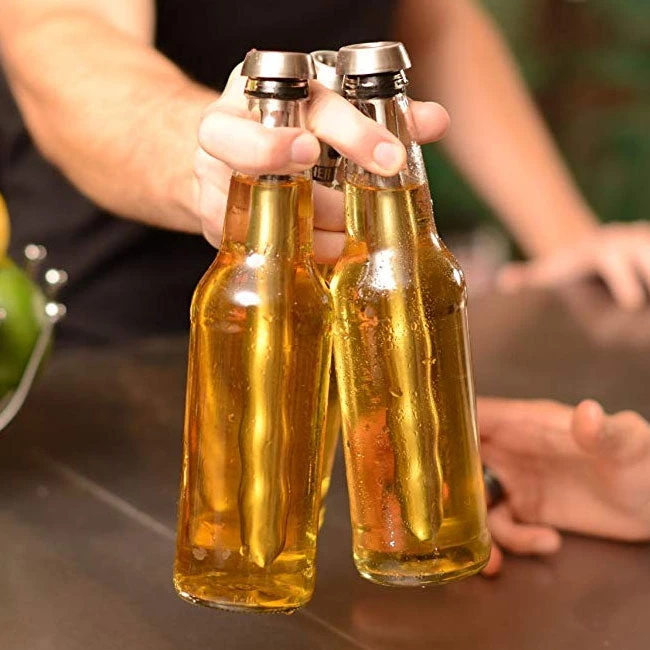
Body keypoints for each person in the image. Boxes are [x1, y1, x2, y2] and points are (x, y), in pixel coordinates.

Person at [0, 0, 648, 569]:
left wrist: (566, 236)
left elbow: (433, 19)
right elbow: (63, 41)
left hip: (346, 355)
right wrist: (222, 154)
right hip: (117, 386)